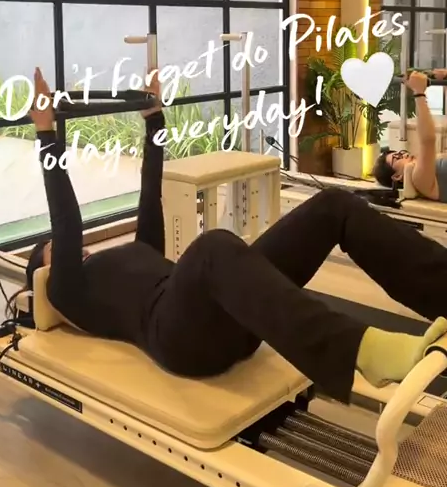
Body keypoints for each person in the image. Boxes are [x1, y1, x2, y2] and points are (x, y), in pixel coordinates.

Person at [23, 67, 447, 406]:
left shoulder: (133, 251)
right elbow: (66, 221)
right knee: (213, 247)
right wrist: (45, 133)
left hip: (222, 315)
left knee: (332, 206)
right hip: (179, 339)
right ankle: (359, 351)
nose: (62, 246)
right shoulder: (65, 290)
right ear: (44, 268)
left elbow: (150, 195)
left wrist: (155, 121)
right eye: (49, 249)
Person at [373, 69, 447, 200]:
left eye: (401, 152)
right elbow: (428, 140)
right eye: (398, 158)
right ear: (397, 176)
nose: (405, 154)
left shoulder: (434, 163)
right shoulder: (419, 179)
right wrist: (419, 93)